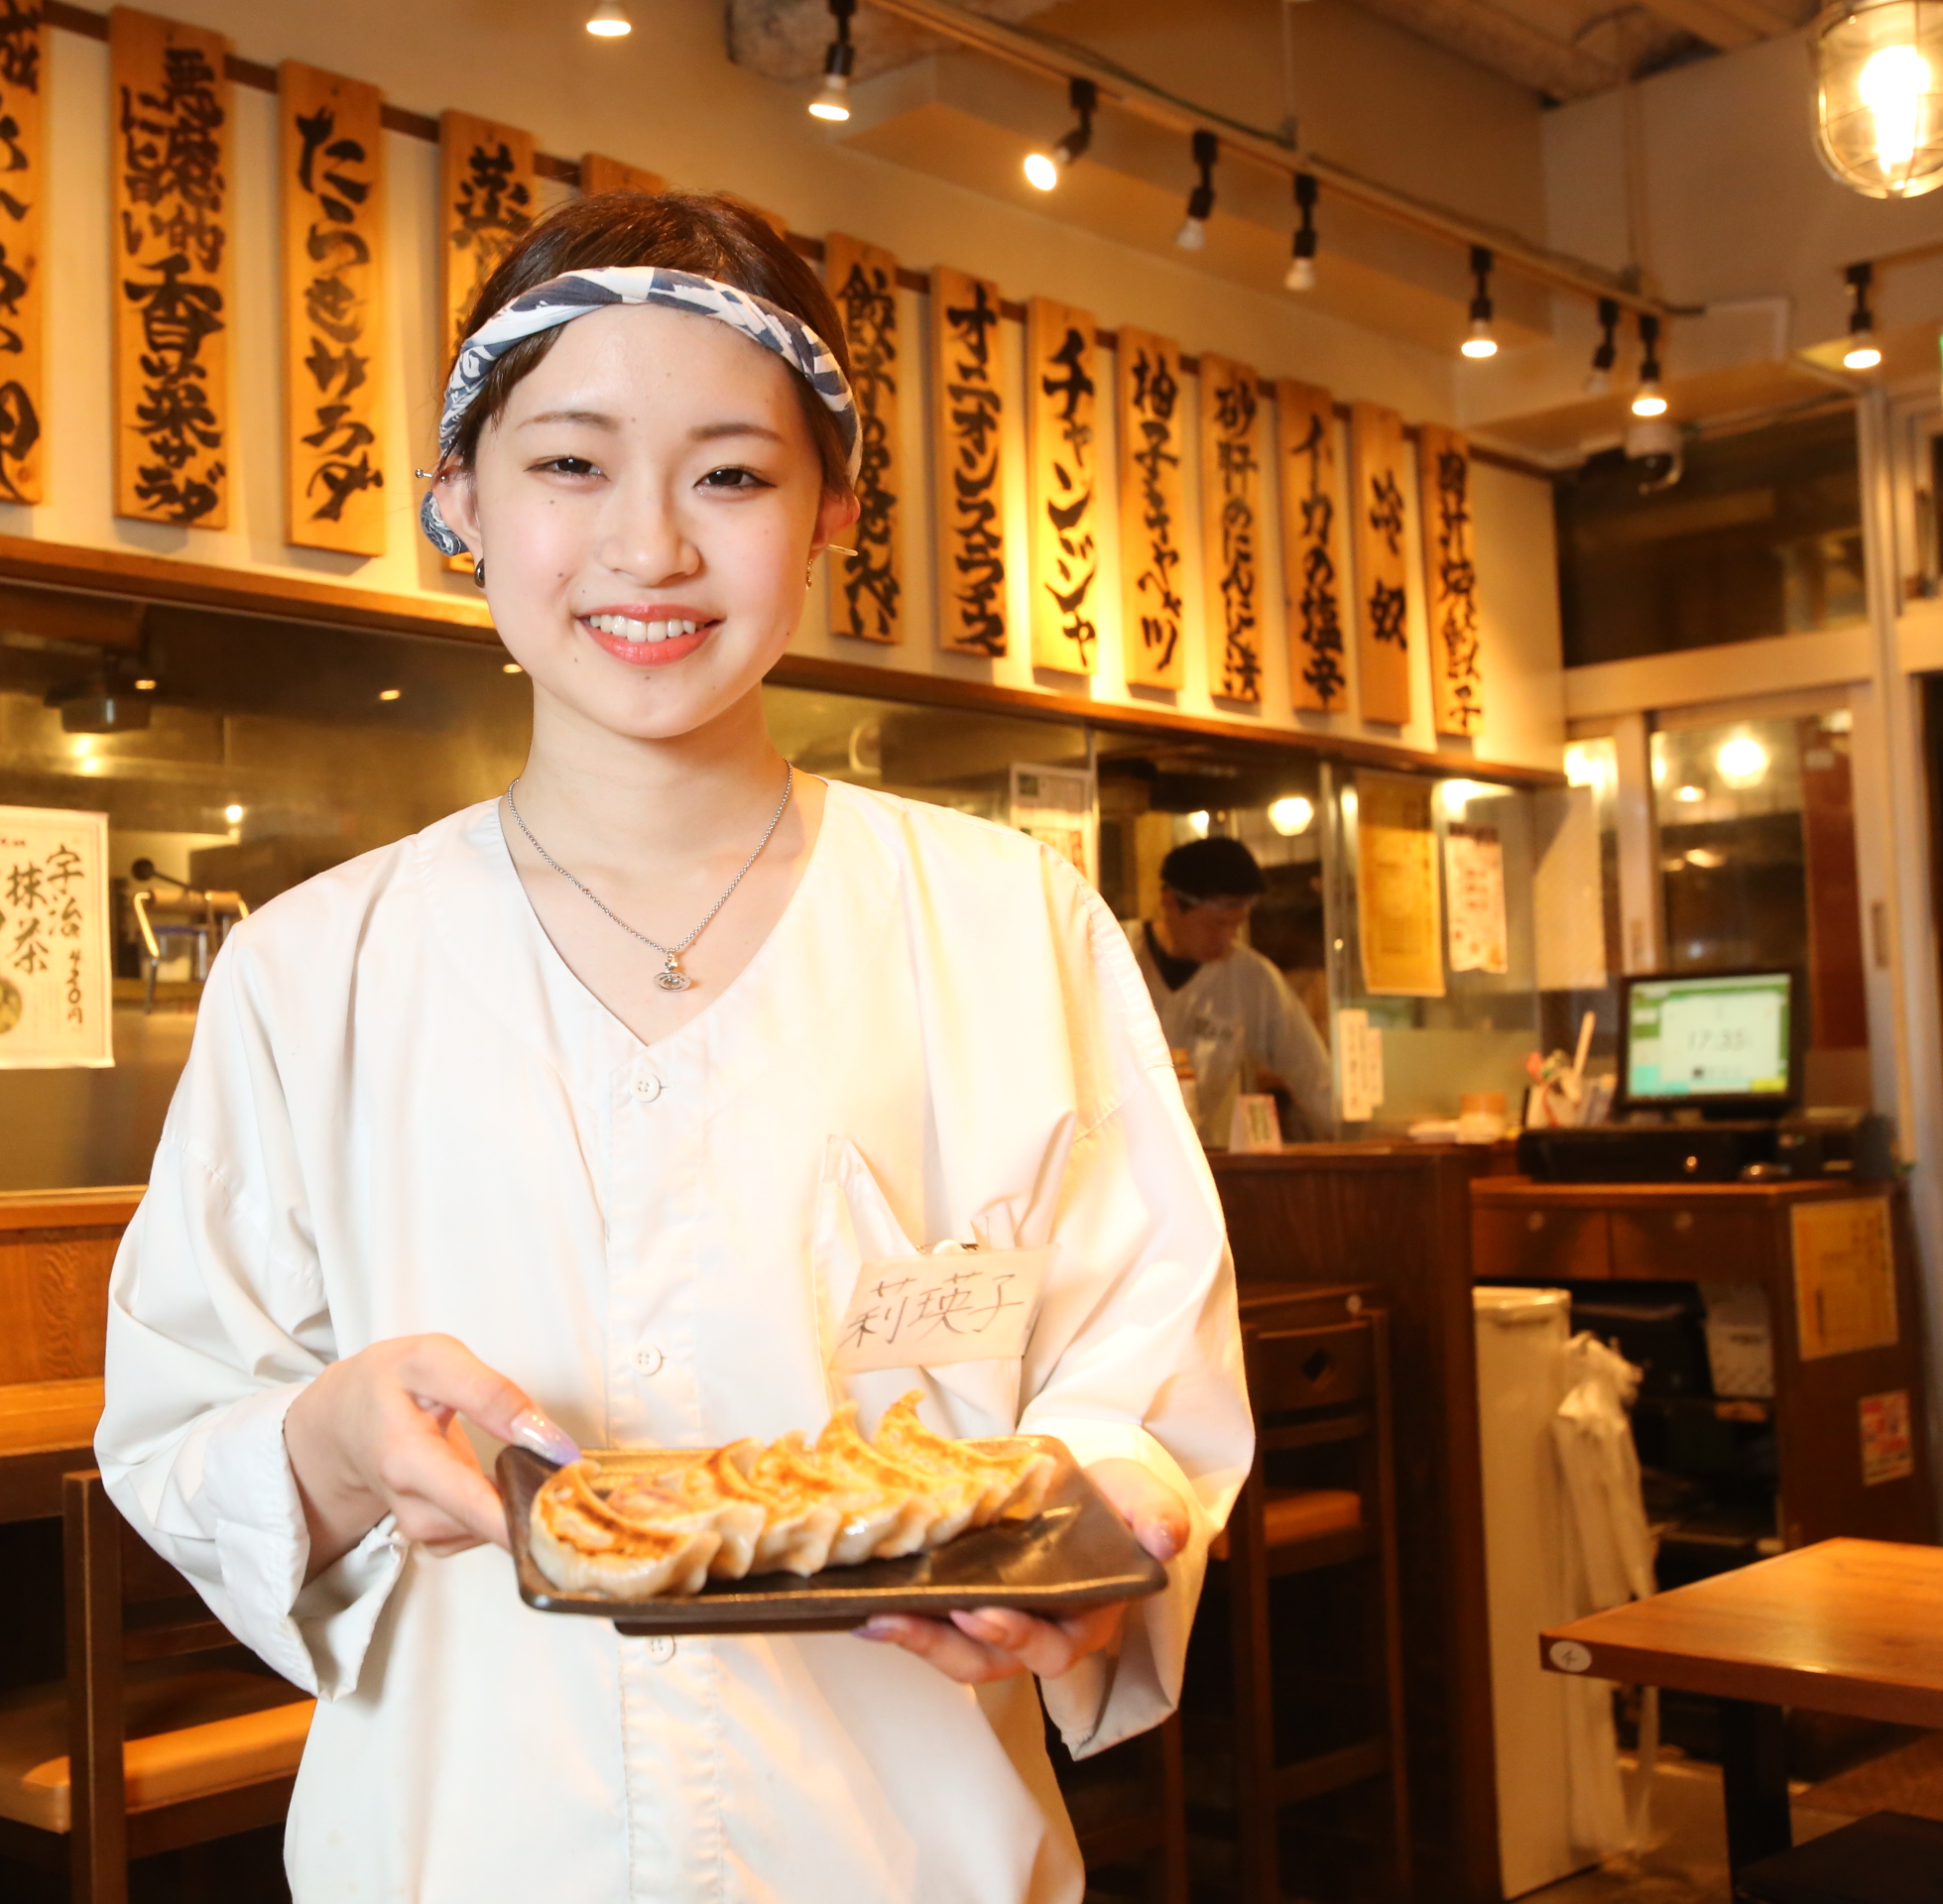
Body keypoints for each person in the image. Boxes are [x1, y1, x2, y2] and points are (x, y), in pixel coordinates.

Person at [97, 190, 1251, 1902]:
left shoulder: (1012, 930)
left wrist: (1102, 1521)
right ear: (461, 506)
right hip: (463, 1846)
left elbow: (1141, 1383)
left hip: (905, 1851)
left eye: (731, 473)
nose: (650, 547)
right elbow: (179, 1424)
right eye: (570, 465)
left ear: (830, 513)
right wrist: (330, 1437)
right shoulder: (314, 971)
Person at [1128, 835, 1335, 1143]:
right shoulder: (1113, 951)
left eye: (1234, 925)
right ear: (1169, 902)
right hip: (1104, 1155)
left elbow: (1313, 1074)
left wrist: (1353, 1138)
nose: (1224, 938)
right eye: (1214, 924)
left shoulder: (1250, 977)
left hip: (1192, 1155)